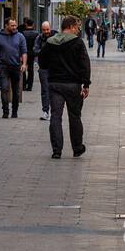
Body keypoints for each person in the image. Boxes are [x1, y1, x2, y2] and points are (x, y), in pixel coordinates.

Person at [38, 15, 90, 158]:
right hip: (73, 85)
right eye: (77, 27)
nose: (78, 30)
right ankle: (77, 148)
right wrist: (86, 84)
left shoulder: (50, 42)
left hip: (55, 84)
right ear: (71, 26)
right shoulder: (78, 43)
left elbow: (42, 61)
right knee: (74, 116)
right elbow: (85, 64)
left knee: (55, 116)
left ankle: (57, 150)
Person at [0, 18, 29, 119]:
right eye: (12, 25)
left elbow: (24, 52)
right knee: (4, 88)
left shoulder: (20, 37)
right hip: (3, 66)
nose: (14, 27)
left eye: (15, 25)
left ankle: (15, 111)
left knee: (16, 90)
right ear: (6, 25)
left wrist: (24, 64)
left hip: (16, 66)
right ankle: (5, 111)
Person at [35, 20, 53, 120]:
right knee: (45, 90)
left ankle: (54, 111)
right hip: (43, 68)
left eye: (47, 29)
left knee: (54, 90)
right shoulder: (39, 38)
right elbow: (35, 49)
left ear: (50, 28)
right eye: (44, 30)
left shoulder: (55, 37)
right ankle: (45, 111)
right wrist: (44, 51)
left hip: (55, 68)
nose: (46, 31)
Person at [20, 18, 41, 92]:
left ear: (26, 24)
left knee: (23, 68)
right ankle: (30, 86)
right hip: (32, 53)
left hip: (24, 53)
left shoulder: (22, 33)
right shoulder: (36, 33)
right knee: (31, 69)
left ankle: (23, 85)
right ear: (33, 25)